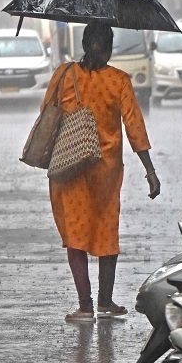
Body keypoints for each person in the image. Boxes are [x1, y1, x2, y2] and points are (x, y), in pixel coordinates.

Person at [40, 21, 161, 322]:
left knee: (76, 233)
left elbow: (46, 114)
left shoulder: (64, 75)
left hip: (68, 168)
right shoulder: (118, 80)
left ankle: (85, 306)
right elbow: (134, 126)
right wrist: (150, 171)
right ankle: (106, 301)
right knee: (107, 229)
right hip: (105, 171)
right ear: (108, 47)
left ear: (84, 44)